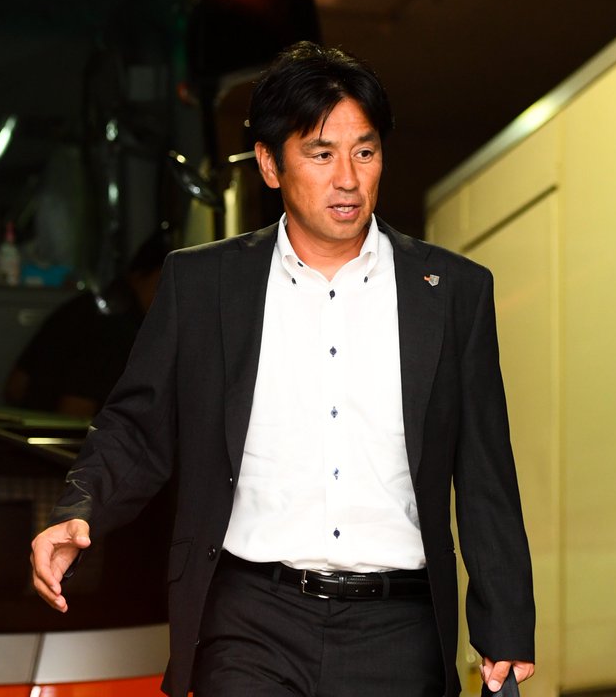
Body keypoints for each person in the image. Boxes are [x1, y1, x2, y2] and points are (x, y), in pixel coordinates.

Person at [30, 42, 535, 696]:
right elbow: (138, 425)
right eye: (321, 154)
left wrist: (504, 626)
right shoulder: (203, 285)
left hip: (397, 629)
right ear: (270, 164)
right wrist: (81, 510)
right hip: (251, 620)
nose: (347, 178)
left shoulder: (451, 292)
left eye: (365, 152)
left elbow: (486, 467)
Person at [4, 229, 169, 418]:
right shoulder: (118, 330)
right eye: (163, 284)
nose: (170, 299)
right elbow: (74, 414)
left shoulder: (84, 304)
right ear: (140, 275)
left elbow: (15, 387)